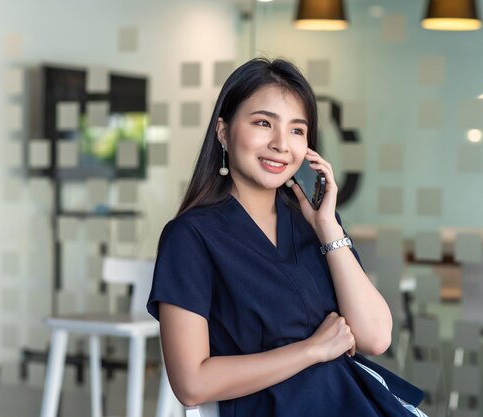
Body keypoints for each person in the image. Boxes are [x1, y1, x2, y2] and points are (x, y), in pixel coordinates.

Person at [147, 57, 427, 417]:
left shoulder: (314, 223)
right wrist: (312, 350)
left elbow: (375, 337)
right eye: (264, 123)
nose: (282, 144)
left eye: (297, 130)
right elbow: (191, 384)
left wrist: (328, 227)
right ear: (223, 132)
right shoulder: (190, 237)